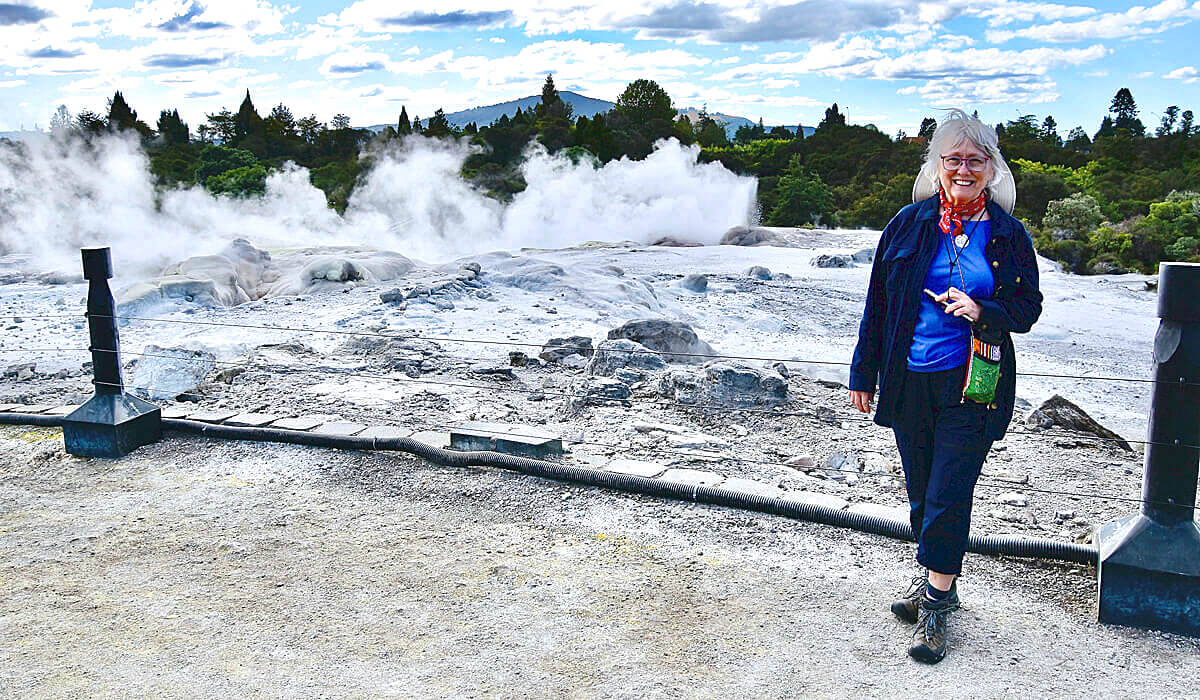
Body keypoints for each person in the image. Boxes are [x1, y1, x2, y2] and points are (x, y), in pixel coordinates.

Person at [848, 109, 1043, 663]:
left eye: (975, 160)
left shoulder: (1007, 234)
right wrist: (864, 372)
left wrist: (984, 309)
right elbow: (878, 305)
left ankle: (934, 608)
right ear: (936, 167)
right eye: (953, 158)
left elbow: (1027, 307)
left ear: (991, 168)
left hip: (973, 382)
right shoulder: (908, 224)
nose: (963, 168)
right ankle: (938, 582)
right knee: (919, 491)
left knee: (949, 491)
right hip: (910, 379)